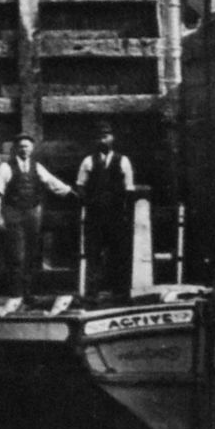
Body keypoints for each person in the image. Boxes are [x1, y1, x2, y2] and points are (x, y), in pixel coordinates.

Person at [0, 134, 72, 303]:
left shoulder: (37, 166)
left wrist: (69, 192)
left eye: (27, 146)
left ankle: (27, 293)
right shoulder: (5, 167)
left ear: (32, 149)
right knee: (17, 255)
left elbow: (51, 181)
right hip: (13, 213)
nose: (24, 149)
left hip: (33, 214)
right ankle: (16, 294)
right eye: (21, 146)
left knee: (31, 254)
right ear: (15, 149)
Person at [76, 125, 136, 300]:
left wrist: (125, 212)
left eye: (106, 136)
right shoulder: (88, 161)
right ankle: (92, 294)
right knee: (93, 253)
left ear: (113, 139)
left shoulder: (123, 160)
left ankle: (120, 292)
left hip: (116, 215)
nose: (103, 140)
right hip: (95, 216)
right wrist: (88, 202)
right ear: (95, 141)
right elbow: (80, 185)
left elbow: (129, 188)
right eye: (100, 137)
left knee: (119, 253)